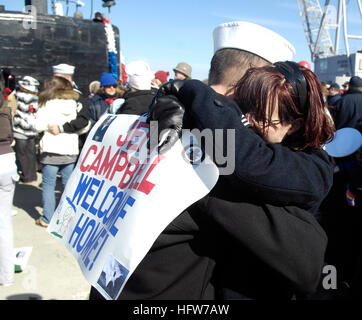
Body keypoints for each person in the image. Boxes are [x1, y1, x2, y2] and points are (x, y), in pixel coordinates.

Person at [90, 21, 332, 300]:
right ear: (246, 87)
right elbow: (308, 262)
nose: (251, 121)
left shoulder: (140, 126)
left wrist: (186, 92)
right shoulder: (209, 154)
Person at [34, 76, 81, 227]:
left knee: (48, 185)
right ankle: (67, 218)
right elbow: (81, 125)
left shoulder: (46, 103)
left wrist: (51, 127)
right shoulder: (73, 103)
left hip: (51, 149)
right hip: (70, 149)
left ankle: (47, 218)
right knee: (68, 184)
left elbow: (37, 125)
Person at [0, 73, 19, 286]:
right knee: (3, 223)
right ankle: (6, 276)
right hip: (6, 161)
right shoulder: (5, 108)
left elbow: (153, 139)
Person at [48, 64, 90, 150]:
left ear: (67, 79)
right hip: (51, 145)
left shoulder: (77, 96)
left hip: (72, 145)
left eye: (57, 79)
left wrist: (61, 128)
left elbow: (83, 120)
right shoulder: (49, 94)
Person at [12, 76, 40, 184]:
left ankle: (26, 176)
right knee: (30, 154)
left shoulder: (17, 96)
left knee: (21, 155)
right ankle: (32, 175)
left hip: (20, 130)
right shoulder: (37, 98)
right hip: (32, 130)